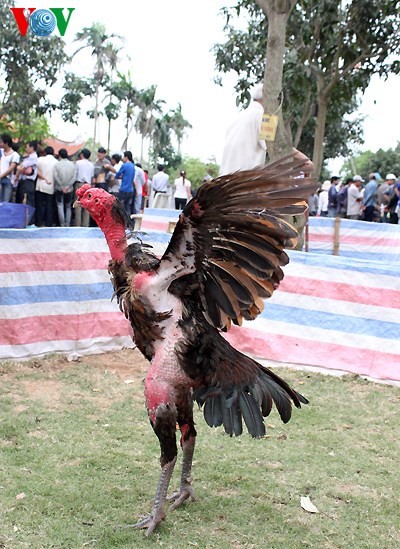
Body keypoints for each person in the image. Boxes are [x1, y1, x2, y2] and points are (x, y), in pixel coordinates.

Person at [219, 82, 266, 176]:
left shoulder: (237, 117)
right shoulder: (264, 116)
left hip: (225, 179)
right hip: (245, 180)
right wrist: (302, 158)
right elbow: (274, 145)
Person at [15, 140, 38, 223]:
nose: (26, 149)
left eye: (27, 147)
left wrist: (17, 173)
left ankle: (30, 221)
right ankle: (25, 220)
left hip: (28, 181)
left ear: (32, 148)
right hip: (25, 181)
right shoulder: (28, 157)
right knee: (24, 200)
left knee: (28, 200)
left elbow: (21, 167)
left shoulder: (33, 157)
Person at [105, 151, 135, 215]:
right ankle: (128, 222)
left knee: (118, 206)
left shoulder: (124, 165)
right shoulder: (133, 166)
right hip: (131, 189)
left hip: (124, 189)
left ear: (126, 157)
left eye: (124, 157)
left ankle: (119, 221)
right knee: (127, 207)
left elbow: (117, 175)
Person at [36, 146, 58, 227]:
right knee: (49, 206)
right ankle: (49, 223)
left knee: (40, 205)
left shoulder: (40, 159)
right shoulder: (56, 162)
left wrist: (43, 178)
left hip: (40, 185)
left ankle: (39, 222)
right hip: (51, 186)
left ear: (45, 152)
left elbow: (36, 171)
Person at [53, 148, 75, 227]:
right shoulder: (72, 165)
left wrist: (62, 187)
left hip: (59, 188)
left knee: (60, 205)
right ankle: (67, 223)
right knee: (68, 206)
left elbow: (56, 176)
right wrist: (68, 186)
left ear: (59, 155)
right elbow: (74, 177)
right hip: (69, 189)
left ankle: (62, 224)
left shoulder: (57, 165)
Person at [74, 148, 94, 227]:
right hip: (88, 185)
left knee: (78, 205)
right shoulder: (91, 165)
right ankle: (85, 225)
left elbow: (75, 174)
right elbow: (92, 177)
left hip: (79, 184)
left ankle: (77, 225)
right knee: (87, 206)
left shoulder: (78, 163)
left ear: (82, 154)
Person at [0, 134, 19, 203]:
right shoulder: (1, 152)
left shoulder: (15, 155)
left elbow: (11, 168)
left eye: (1, 142)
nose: (0, 144)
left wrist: (1, 175)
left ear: (6, 143)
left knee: (6, 200)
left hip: (8, 179)